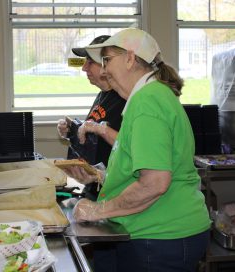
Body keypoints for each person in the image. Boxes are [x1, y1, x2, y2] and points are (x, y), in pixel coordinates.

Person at [67, 28, 211, 272]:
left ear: (130, 58)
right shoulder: (149, 97)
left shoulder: (147, 101)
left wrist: (97, 210)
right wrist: (100, 176)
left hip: (161, 235)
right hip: (160, 233)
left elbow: (154, 182)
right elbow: (143, 166)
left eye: (107, 61)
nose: (102, 71)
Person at [57, 35, 126, 200]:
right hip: (96, 189)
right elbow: (95, 142)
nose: (84, 68)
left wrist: (99, 128)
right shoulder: (102, 95)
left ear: (107, 64)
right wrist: (73, 131)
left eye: (90, 62)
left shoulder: (125, 98)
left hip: (117, 193)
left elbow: (130, 145)